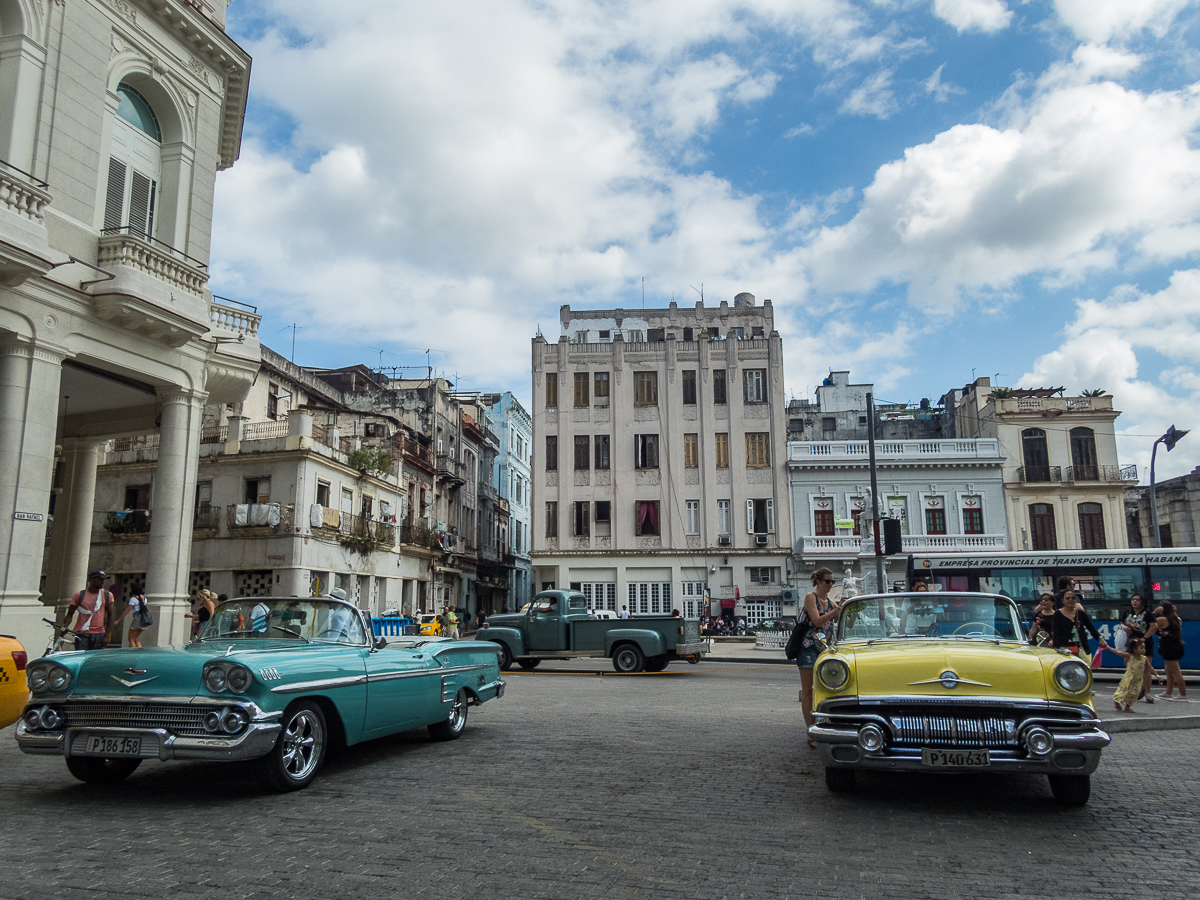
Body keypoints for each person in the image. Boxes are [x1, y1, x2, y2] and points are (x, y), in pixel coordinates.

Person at [798, 567, 842, 748]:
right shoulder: (811, 597)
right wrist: (835, 611)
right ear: (818, 581)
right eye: (828, 581)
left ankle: (825, 725)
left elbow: (841, 622)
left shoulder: (831, 603)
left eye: (833, 582)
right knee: (808, 691)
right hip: (808, 648)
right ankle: (811, 731)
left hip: (825, 650)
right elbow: (816, 621)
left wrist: (844, 608)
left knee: (825, 689)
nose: (831, 585)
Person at [1121, 593, 1159, 703]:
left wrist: (1144, 638)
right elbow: (1122, 623)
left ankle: (1147, 692)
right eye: (1133, 599)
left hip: (1144, 643)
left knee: (1146, 668)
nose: (1135, 601)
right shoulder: (1128, 613)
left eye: (1137, 600)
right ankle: (1129, 690)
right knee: (1129, 666)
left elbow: (1154, 627)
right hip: (1131, 642)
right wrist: (1125, 627)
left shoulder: (1148, 614)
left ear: (1143, 602)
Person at [1050, 589, 1107, 658]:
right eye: (1067, 598)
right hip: (1065, 649)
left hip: (1081, 648)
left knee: (1085, 667)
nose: (1070, 600)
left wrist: (1100, 638)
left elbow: (1090, 627)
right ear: (1063, 600)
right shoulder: (1058, 614)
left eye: (1073, 598)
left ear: (1076, 600)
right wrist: (1056, 647)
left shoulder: (1081, 613)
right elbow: (1056, 631)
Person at [64, 571, 113, 651]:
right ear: (92, 580)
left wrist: (107, 635)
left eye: (103, 580)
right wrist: (65, 626)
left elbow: (110, 616)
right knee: (81, 658)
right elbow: (70, 614)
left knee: (95, 659)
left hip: (99, 634)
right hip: (82, 634)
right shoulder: (79, 595)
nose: (102, 582)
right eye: (100, 579)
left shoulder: (107, 595)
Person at [1154, 602, 1188, 701]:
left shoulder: (1163, 619)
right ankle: (1168, 692)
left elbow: (1149, 622)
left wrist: (1155, 612)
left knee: (1175, 671)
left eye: (1161, 606)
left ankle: (1183, 695)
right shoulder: (1176, 618)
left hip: (1169, 647)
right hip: (1175, 645)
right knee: (1169, 670)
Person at [1109, 637, 1149, 713]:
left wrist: (1157, 675)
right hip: (1128, 678)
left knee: (1134, 693)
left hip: (1137, 680)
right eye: (1141, 648)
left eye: (1144, 648)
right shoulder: (1130, 656)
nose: (1144, 649)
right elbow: (1118, 652)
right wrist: (1108, 647)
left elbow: (1150, 667)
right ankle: (1117, 701)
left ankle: (1128, 706)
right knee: (1123, 690)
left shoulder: (1144, 659)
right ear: (1134, 650)